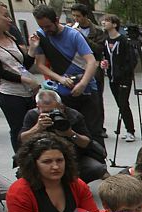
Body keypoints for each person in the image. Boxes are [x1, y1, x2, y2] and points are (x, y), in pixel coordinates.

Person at [32, 4, 103, 144]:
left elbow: (91, 61)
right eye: (42, 27)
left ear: (56, 20)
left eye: (48, 26)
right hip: (64, 90)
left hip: (87, 89)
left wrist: (83, 84)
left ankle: (98, 160)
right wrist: (60, 79)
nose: (46, 30)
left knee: (93, 130)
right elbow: (40, 65)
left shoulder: (73, 34)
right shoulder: (41, 36)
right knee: (67, 129)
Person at [19, 88, 109, 183]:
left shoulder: (74, 115)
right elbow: (22, 140)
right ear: (38, 107)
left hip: (74, 157)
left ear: (61, 106)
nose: (50, 115)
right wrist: (37, 128)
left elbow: (86, 143)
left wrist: (70, 134)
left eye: (53, 111)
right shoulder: (32, 115)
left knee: (97, 168)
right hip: (44, 158)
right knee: (22, 174)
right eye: (45, 112)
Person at [0, 1, 39, 154]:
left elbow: (24, 65)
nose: (9, 20)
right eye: (5, 16)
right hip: (10, 94)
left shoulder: (11, 37)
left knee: (34, 127)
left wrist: (33, 48)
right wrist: (27, 80)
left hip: (28, 92)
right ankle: (22, 163)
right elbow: (2, 73)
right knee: (18, 129)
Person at [70, 4, 106, 138]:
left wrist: (81, 38)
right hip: (77, 68)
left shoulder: (97, 31)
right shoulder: (71, 30)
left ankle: (98, 127)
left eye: (78, 16)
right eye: (74, 16)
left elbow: (98, 49)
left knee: (96, 99)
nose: (76, 18)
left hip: (94, 68)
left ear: (85, 16)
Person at [101, 14, 136, 142]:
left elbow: (131, 60)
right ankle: (128, 129)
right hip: (112, 77)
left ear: (114, 24)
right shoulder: (105, 40)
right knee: (119, 104)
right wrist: (104, 63)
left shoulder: (123, 40)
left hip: (124, 78)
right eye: (103, 21)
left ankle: (130, 130)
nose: (104, 23)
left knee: (123, 103)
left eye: (107, 21)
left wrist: (124, 72)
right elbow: (104, 57)